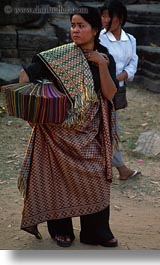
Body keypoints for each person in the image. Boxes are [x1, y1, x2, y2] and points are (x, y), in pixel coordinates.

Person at [17, 6, 119, 248]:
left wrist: (102, 66)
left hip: (89, 133)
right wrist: (32, 113)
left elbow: (110, 94)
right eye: (72, 25)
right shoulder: (56, 57)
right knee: (58, 180)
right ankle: (61, 230)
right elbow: (24, 76)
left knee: (96, 176)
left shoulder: (106, 58)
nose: (75, 30)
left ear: (95, 30)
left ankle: (96, 232)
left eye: (81, 26)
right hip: (56, 134)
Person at [99, 0, 140, 180]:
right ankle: (120, 168)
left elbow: (133, 63)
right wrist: (109, 81)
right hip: (99, 90)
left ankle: (112, 168)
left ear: (121, 18)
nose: (105, 20)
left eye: (110, 16)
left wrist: (118, 78)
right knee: (110, 128)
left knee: (109, 127)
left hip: (118, 91)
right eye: (103, 15)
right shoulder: (98, 38)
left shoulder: (130, 39)